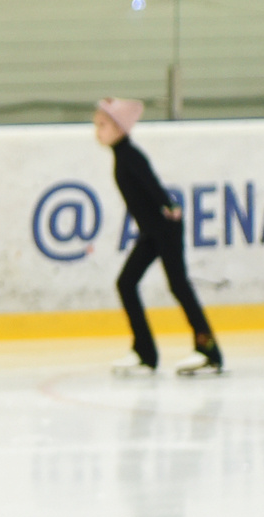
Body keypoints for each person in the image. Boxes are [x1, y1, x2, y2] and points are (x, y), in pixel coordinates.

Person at [94, 98, 223, 377]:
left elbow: (151, 183)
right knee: (126, 284)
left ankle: (208, 351)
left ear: (118, 127)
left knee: (178, 285)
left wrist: (169, 205)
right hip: (152, 232)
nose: (97, 132)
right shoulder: (123, 155)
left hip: (164, 228)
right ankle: (145, 352)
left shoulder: (130, 156)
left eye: (102, 125)